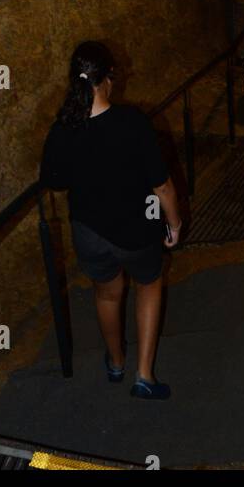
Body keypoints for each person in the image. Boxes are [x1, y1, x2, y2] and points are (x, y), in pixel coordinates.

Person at [39, 41, 182, 400]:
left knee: (107, 294)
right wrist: (174, 223)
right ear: (107, 79)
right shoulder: (131, 122)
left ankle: (116, 362)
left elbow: (53, 180)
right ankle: (144, 376)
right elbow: (162, 185)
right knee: (149, 285)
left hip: (88, 231)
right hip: (135, 229)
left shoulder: (62, 128)